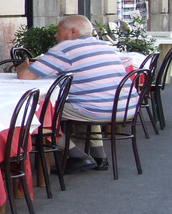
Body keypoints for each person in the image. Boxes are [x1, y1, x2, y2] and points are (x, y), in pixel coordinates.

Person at [16, 15, 131, 173]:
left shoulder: (65, 48)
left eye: (58, 31)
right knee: (88, 101)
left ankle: (78, 156)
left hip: (98, 110)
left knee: (34, 114)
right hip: (125, 107)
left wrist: (21, 67)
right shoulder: (104, 46)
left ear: (73, 32)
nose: (56, 35)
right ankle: (100, 157)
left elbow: (25, 76)